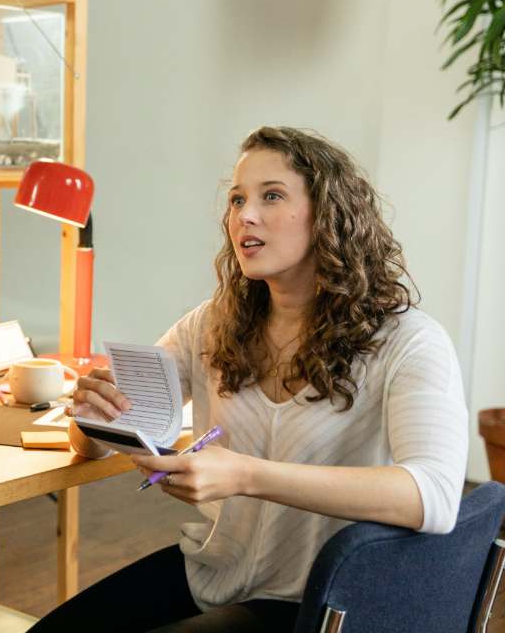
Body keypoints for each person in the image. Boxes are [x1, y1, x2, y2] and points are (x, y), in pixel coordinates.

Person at [34, 126, 467, 632]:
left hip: (325, 603)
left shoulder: (409, 341)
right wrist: (91, 419)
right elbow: (104, 441)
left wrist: (246, 475)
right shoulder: (212, 323)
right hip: (215, 574)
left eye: (272, 196)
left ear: (329, 215)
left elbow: (434, 497)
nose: (245, 215)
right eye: (237, 199)